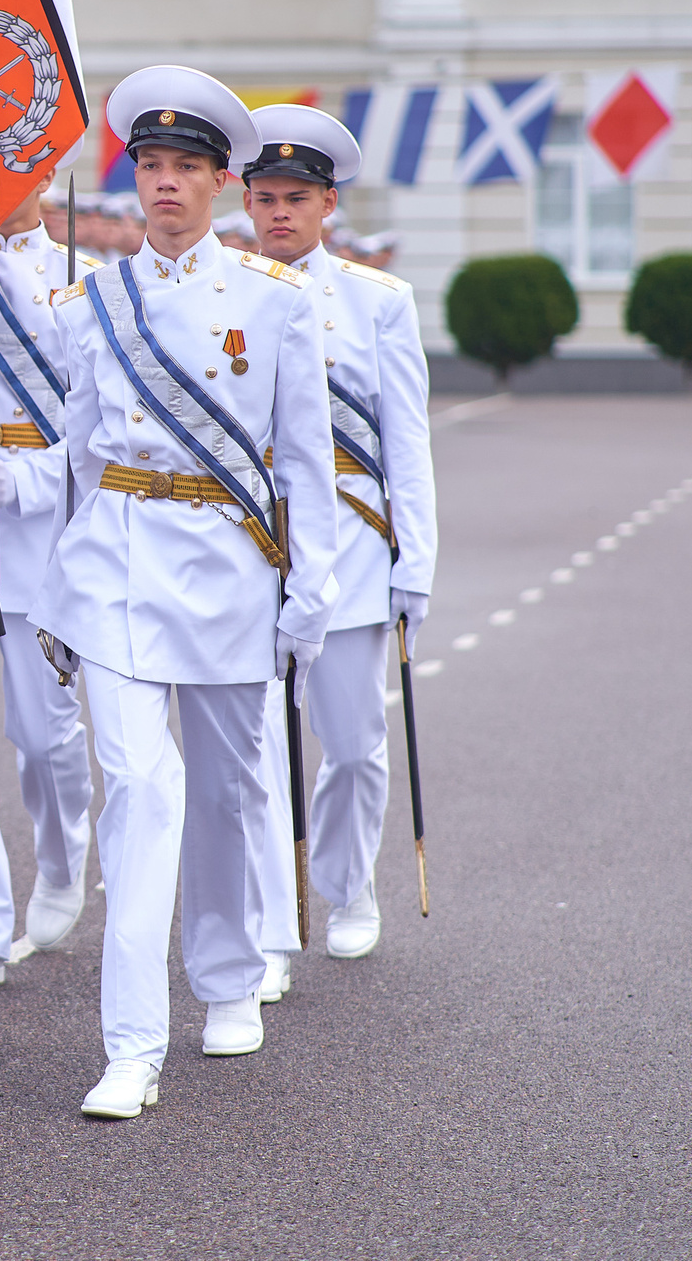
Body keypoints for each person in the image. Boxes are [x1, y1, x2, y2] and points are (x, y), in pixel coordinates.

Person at [31, 67, 339, 1119]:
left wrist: (311, 592)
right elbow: (73, 452)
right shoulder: (91, 305)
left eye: (184, 169)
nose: (163, 185)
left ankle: (224, 975)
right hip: (115, 560)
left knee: (224, 787)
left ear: (219, 183)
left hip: (225, 567)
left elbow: (303, 462)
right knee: (140, 792)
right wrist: (55, 586)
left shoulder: (274, 303)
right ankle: (130, 1043)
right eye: (149, 167)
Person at [241, 104, 435, 963]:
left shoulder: (377, 302)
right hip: (250, 544)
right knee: (255, 743)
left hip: (354, 543)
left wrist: (414, 565)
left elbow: (407, 442)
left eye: (297, 196)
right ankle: (273, 909)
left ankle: (349, 885)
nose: (279, 212)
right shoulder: (221, 293)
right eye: (265, 196)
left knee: (352, 744)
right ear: (243, 203)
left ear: (327, 207)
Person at [0, 166, 97, 1001]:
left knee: (41, 737)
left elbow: (102, 425)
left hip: (40, 534)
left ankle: (64, 850)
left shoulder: (79, 280)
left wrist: (29, 481)